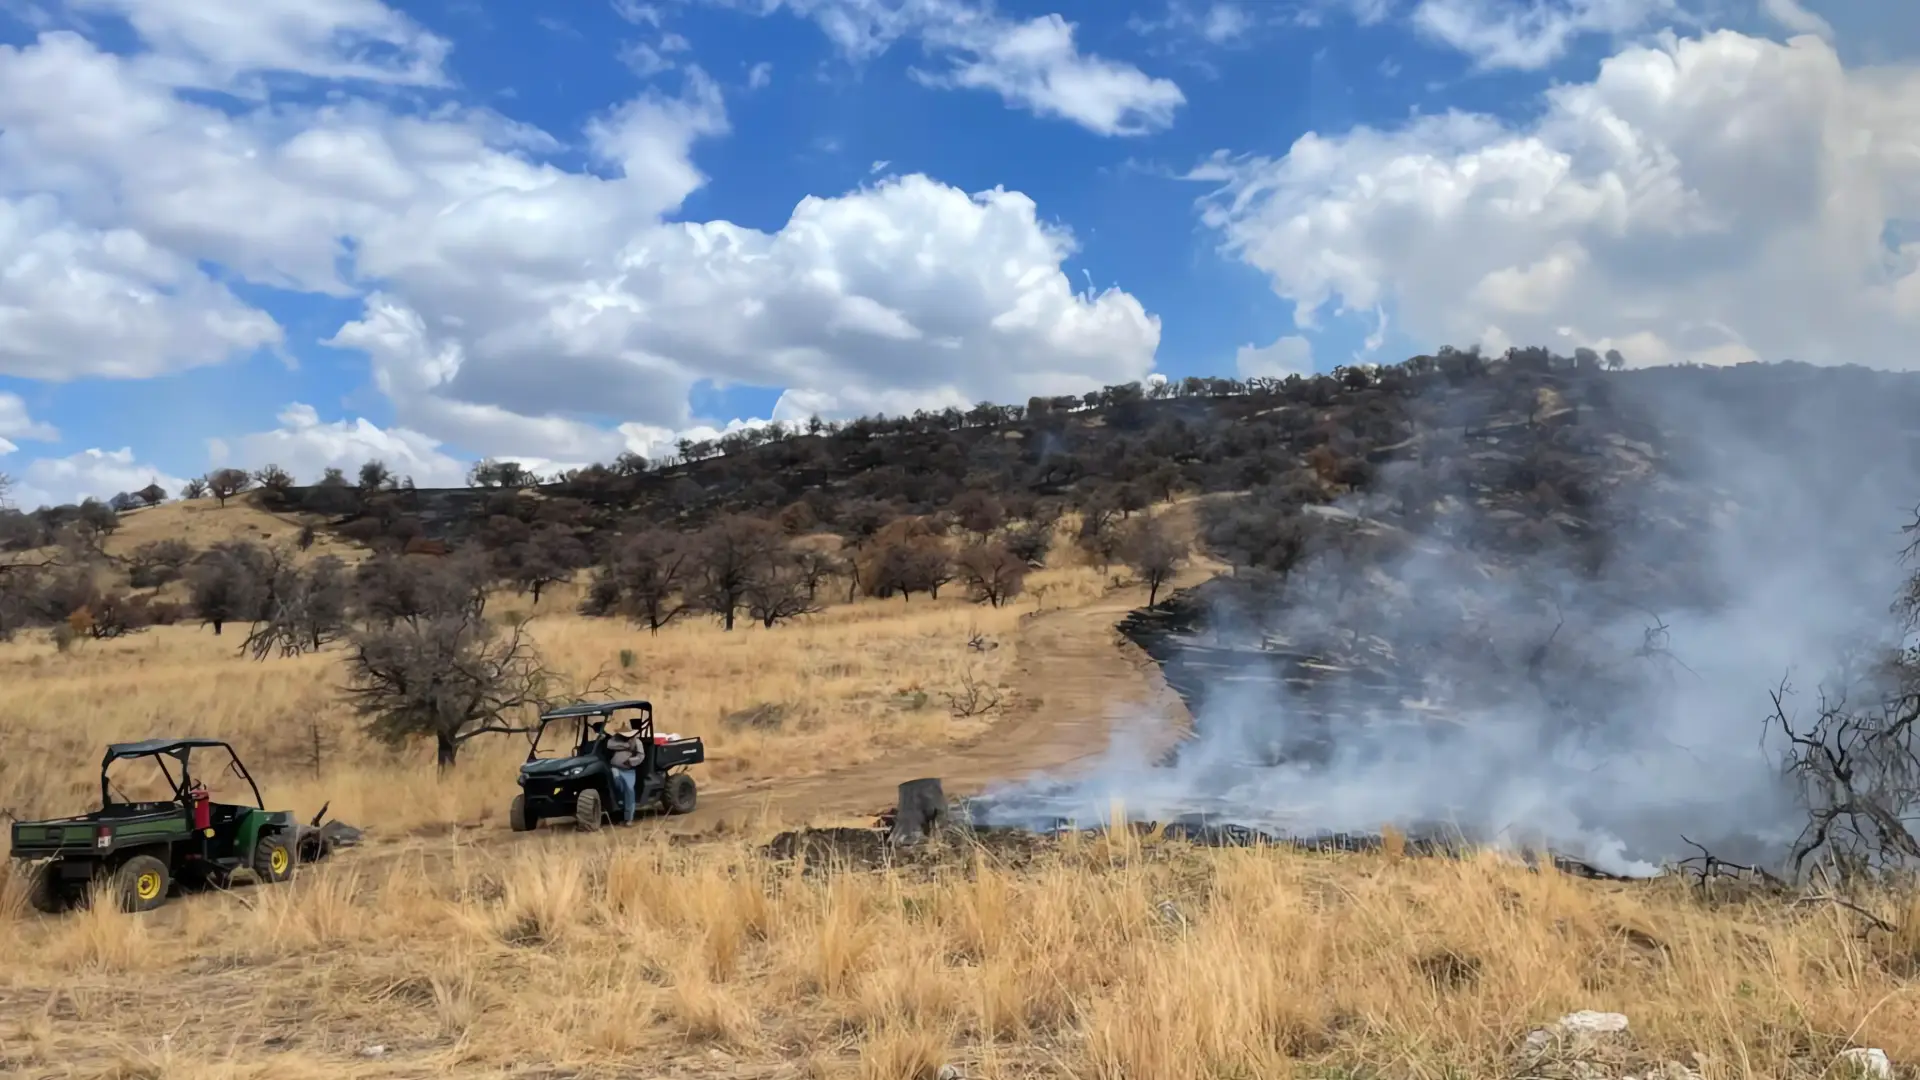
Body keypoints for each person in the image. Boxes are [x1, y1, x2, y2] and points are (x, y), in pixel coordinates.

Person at [605, 719, 644, 824]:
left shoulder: (637, 741)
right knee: (616, 783)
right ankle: (620, 807)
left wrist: (631, 761)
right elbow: (609, 744)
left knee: (629, 791)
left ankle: (629, 818)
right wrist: (626, 746)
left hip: (629, 770)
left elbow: (641, 756)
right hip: (615, 768)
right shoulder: (615, 739)